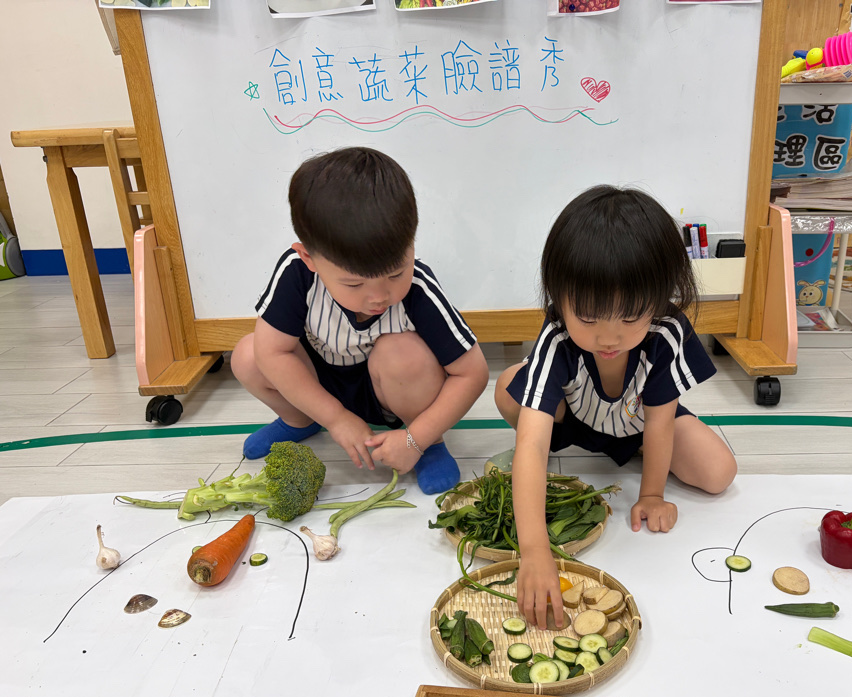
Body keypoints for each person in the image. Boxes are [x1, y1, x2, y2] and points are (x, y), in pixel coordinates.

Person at [494, 186, 737, 628]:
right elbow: (530, 445)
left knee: (719, 473)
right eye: (588, 318)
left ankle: (632, 451)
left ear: (658, 300)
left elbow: (660, 422)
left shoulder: (666, 331)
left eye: (630, 317)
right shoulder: (557, 336)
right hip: (575, 419)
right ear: (559, 298)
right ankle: (570, 426)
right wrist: (534, 550)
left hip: (640, 426)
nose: (609, 337)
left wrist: (651, 495)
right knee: (509, 390)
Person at [231, 147, 489, 494]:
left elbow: (472, 373)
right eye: (354, 284)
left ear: (412, 244)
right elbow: (272, 352)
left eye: (396, 274)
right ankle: (300, 419)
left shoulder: (419, 289)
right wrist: (335, 418)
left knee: (405, 356)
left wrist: (416, 438)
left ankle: (429, 444)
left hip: (389, 392)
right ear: (308, 258)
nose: (379, 297)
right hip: (318, 382)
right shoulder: (296, 274)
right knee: (249, 355)